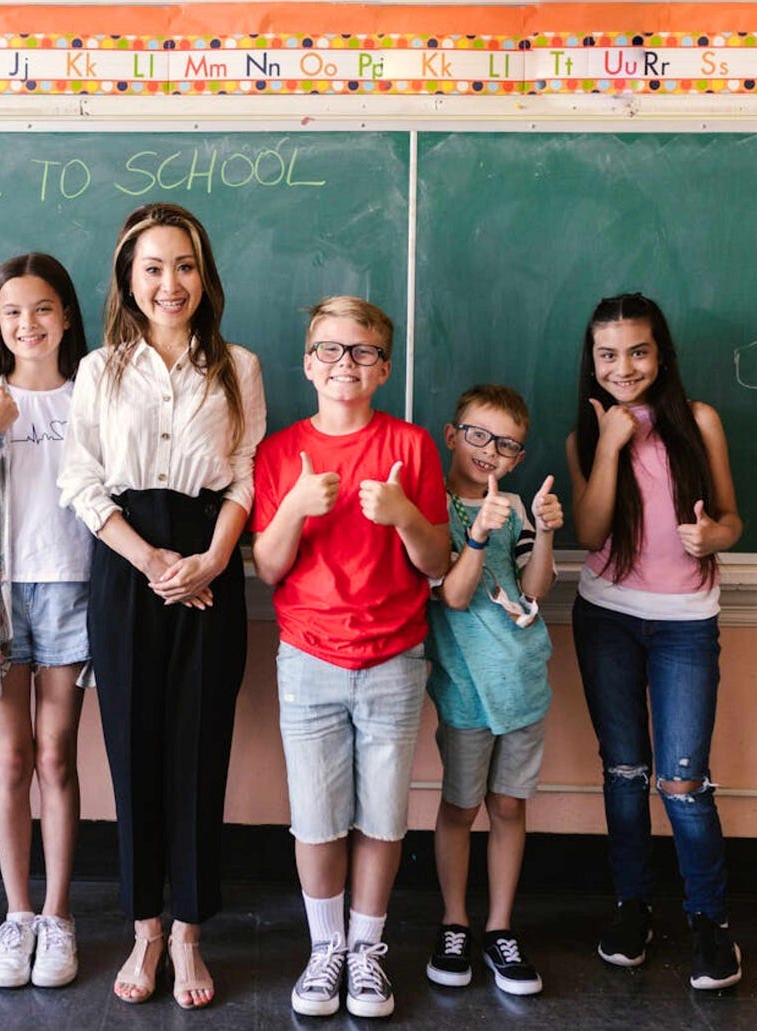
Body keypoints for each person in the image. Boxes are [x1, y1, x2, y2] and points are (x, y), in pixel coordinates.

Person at [58, 202, 265, 1009]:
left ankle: (190, 933)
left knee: (198, 748)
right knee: (133, 750)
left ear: (204, 276)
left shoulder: (238, 366)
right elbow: (80, 480)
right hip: (125, 561)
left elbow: (246, 469)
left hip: (209, 555)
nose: (170, 282)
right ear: (128, 278)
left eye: (184, 265)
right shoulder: (99, 370)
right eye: (153, 267)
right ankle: (146, 926)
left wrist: (214, 555)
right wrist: (149, 558)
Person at [251, 296, 449, 1019]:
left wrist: (403, 517)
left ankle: (367, 950)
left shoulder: (413, 447)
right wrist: (298, 505)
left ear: (384, 368)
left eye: (362, 351)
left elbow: (436, 561)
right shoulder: (279, 453)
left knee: (383, 815)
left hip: (395, 657)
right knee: (316, 816)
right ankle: (325, 946)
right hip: (307, 657)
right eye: (330, 350)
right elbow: (268, 567)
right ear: (307, 362)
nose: (345, 364)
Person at [565, 292, 744, 991]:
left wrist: (712, 536)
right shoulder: (588, 434)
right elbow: (589, 531)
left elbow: (731, 517)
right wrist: (609, 444)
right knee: (625, 772)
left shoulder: (700, 422)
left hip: (685, 626)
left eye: (637, 351)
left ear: (660, 353)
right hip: (607, 616)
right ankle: (632, 906)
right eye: (608, 354)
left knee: (682, 779)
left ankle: (709, 919)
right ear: (593, 360)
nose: (623, 366)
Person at [0, 253, 92, 989]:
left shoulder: (94, 396)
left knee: (57, 754)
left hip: (74, 592)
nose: (28, 324)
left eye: (41, 308)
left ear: (65, 314)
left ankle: (59, 917)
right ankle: (18, 914)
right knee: (11, 760)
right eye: (12, 312)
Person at [423, 384, 562, 997]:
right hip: (465, 689)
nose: (490, 451)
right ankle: (455, 922)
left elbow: (534, 591)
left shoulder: (516, 510)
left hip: (523, 682)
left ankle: (500, 927)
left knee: (508, 806)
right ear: (452, 435)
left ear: (517, 456)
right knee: (459, 807)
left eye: (506, 445)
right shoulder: (433, 510)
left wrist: (549, 532)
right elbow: (452, 594)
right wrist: (477, 534)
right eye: (478, 435)